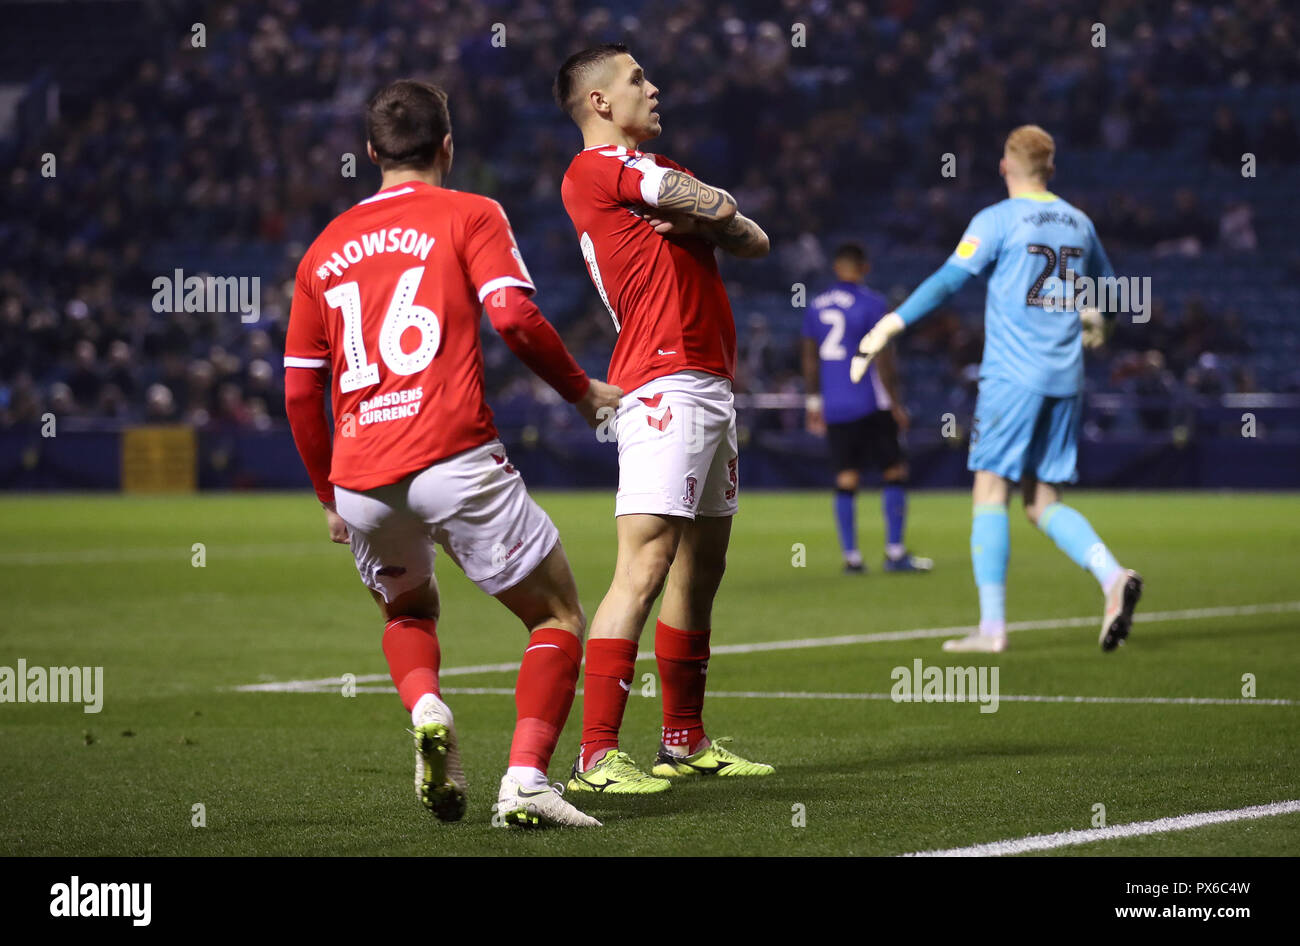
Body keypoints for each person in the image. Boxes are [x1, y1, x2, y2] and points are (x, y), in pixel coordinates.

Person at [284, 79, 621, 827]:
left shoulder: (323, 250)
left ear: (370, 153)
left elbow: (301, 394)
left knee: (408, 612)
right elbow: (512, 314)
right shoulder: (471, 212)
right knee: (558, 617)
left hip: (364, 480)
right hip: (454, 456)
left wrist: (325, 496)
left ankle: (428, 704)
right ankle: (526, 782)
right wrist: (581, 392)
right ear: (448, 144)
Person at [554, 44, 774, 793]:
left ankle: (683, 739)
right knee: (644, 565)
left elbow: (753, 237)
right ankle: (596, 756)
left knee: (700, 570)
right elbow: (721, 209)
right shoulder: (596, 169)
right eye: (637, 79)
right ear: (599, 103)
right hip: (661, 381)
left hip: (708, 381)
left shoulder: (649, 173)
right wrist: (711, 211)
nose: (655, 88)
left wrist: (712, 214)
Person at [849, 125, 1142, 653]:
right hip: (1066, 379)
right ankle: (1111, 575)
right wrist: (1101, 320)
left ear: (1005, 167)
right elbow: (1113, 294)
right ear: (1051, 170)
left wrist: (891, 324)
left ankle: (991, 629)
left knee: (990, 491)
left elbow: (947, 281)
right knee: (1041, 500)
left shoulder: (998, 219)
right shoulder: (1079, 221)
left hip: (1011, 378)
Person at [802, 242, 933, 574]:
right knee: (894, 471)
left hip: (835, 404)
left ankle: (852, 558)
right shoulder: (873, 303)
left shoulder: (815, 306)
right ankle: (895, 552)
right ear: (864, 267)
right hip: (870, 401)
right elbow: (884, 357)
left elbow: (809, 359)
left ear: (836, 268)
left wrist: (814, 402)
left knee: (846, 477)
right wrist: (897, 404)